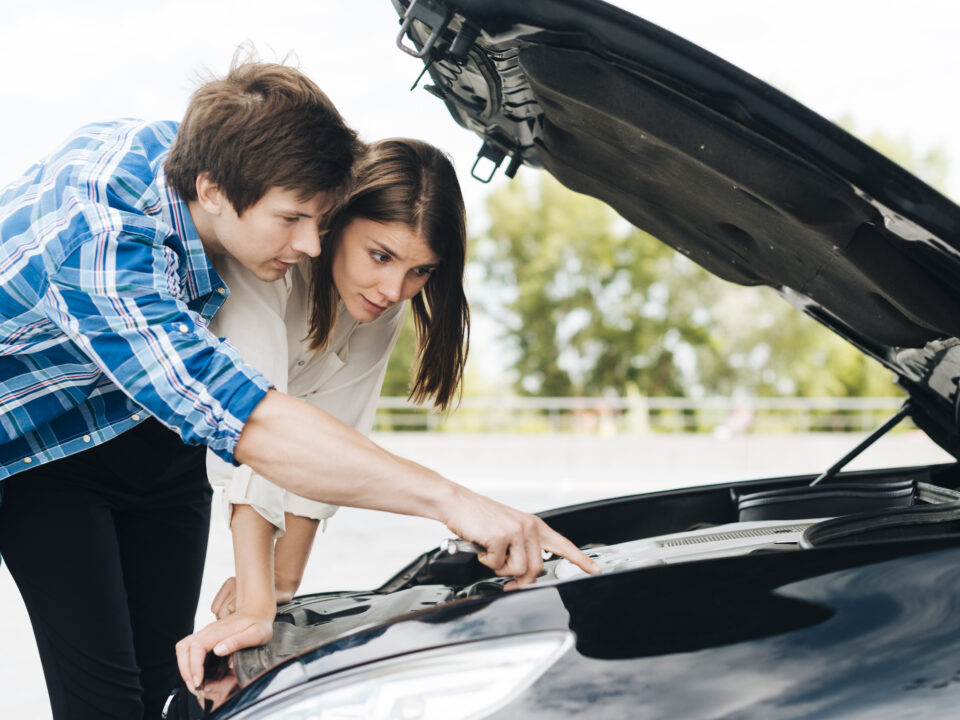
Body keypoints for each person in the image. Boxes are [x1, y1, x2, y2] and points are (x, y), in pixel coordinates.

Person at [0, 57, 598, 719]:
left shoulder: (213, 154)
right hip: (41, 449)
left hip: (149, 435)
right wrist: (453, 502)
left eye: (320, 219)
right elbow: (249, 421)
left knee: (174, 691)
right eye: (291, 220)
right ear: (213, 191)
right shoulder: (103, 248)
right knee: (106, 704)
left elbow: (305, 429)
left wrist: (272, 602)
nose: (312, 244)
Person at [179, 138, 472, 684]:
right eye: (380, 256)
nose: (394, 289)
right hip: (160, 443)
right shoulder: (268, 263)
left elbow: (337, 433)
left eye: (420, 272)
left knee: (167, 676)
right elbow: (258, 424)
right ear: (337, 218)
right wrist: (255, 603)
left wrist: (282, 582)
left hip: (191, 471)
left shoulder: (380, 301)